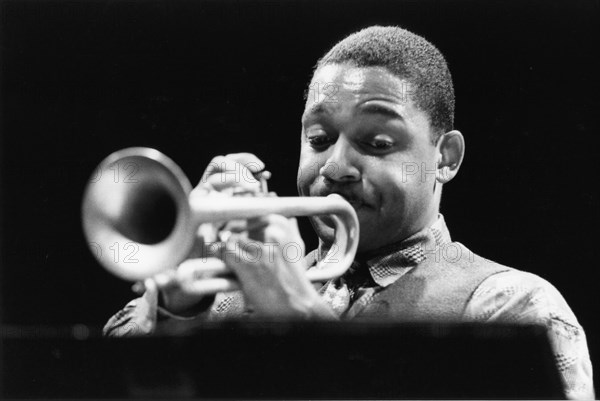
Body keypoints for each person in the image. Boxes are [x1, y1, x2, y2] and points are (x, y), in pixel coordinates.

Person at [103, 26, 594, 398]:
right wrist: (174, 301)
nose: (335, 166)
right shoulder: (231, 301)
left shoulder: (511, 306)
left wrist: (301, 320)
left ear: (445, 159)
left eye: (377, 143)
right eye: (318, 139)